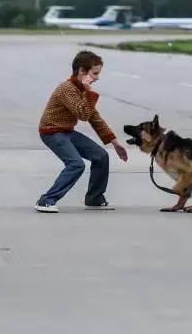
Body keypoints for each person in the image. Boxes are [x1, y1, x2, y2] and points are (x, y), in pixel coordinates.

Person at [35, 50, 128, 213]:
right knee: (76, 164)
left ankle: (95, 199)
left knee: (101, 156)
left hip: (66, 132)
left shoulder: (80, 90)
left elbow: (94, 117)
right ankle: (46, 201)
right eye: (95, 73)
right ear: (82, 71)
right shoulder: (67, 89)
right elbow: (83, 114)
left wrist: (114, 142)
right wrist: (89, 91)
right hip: (51, 132)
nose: (97, 78)